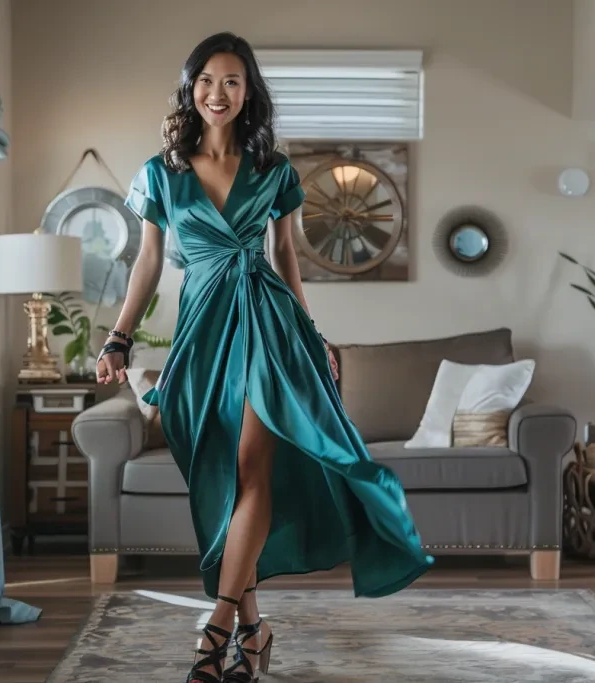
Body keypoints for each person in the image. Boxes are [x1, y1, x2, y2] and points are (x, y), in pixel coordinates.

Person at [95, 31, 433, 683]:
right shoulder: (159, 172)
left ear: (248, 93)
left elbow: (284, 257)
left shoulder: (274, 170)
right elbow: (148, 260)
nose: (217, 93)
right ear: (189, 90)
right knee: (220, 482)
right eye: (206, 81)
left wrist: (311, 332)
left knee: (253, 467)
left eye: (231, 82)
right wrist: (119, 336)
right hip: (200, 333)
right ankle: (255, 627)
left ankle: (216, 627)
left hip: (267, 324)